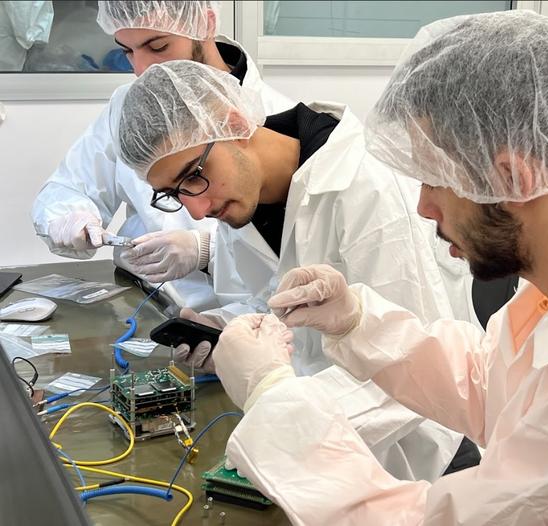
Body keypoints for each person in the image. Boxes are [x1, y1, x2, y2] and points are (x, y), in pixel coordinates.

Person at [209, 11, 548, 524]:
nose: (423, 207)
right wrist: (357, 321)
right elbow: (496, 384)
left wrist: (273, 396)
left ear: (512, 177)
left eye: (433, 179)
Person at [116, 59, 477, 482]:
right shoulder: (239, 196)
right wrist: (228, 333)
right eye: (173, 194)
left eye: (194, 176)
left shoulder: (366, 183)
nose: (197, 208)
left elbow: (413, 367)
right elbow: (266, 300)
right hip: (320, 441)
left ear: (234, 123)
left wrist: (278, 406)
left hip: (419, 460)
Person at [31, 1, 293, 308]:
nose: (142, 70)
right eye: (127, 51)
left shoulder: (277, 120)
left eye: (158, 46)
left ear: (205, 24)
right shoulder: (130, 107)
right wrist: (72, 216)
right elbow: (69, 186)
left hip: (237, 320)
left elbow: (297, 269)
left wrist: (208, 249)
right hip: (140, 301)